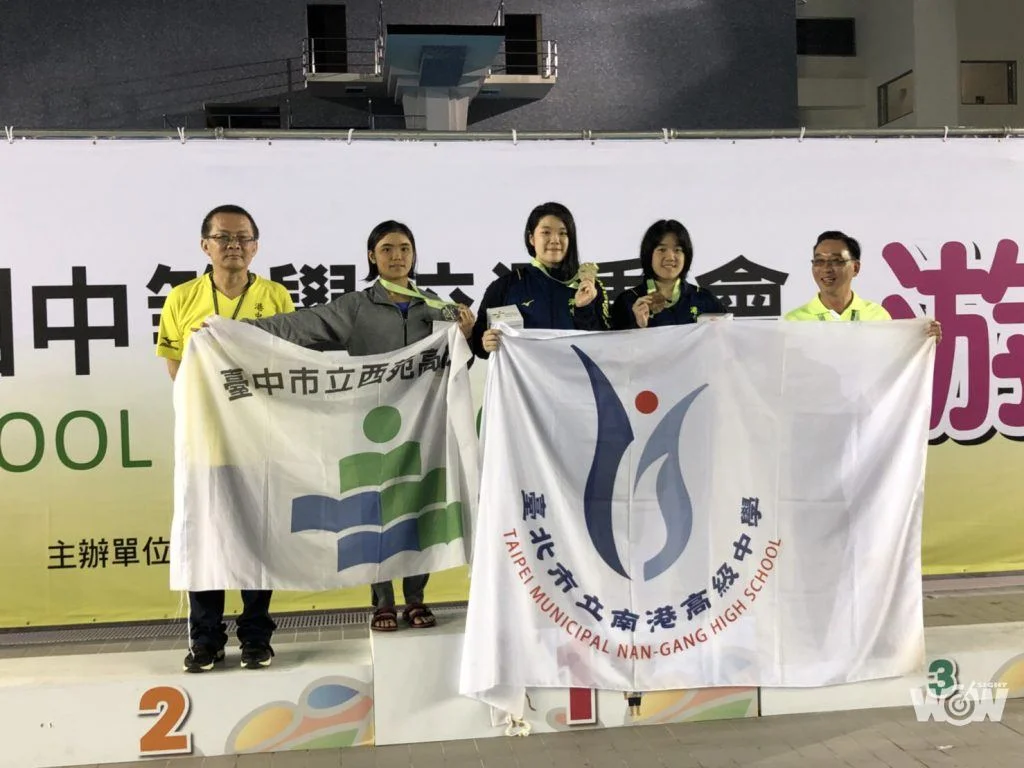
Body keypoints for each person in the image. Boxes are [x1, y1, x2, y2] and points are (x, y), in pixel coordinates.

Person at [243, 220, 476, 632]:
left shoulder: (437, 307)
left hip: (424, 425)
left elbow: (460, 365)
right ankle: (382, 602)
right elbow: (300, 326)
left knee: (421, 504)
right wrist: (237, 330)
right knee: (376, 510)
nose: (397, 256)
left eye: (404, 248)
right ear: (372, 256)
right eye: (387, 249)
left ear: (414, 254)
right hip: (372, 425)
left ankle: (416, 598)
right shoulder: (356, 306)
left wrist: (468, 335)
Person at [157, 204, 295, 673]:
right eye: (223, 237)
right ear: (205, 245)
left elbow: (287, 361)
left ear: (255, 247)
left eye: (243, 238)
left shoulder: (276, 296)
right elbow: (176, 368)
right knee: (205, 539)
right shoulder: (182, 299)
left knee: (257, 539)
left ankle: (256, 637)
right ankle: (206, 638)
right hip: (205, 441)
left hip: (258, 439)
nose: (233, 245)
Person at [472, 202, 610, 357]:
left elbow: (604, 346)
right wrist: (485, 343)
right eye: (546, 232)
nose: (555, 240)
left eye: (563, 233)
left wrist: (583, 309)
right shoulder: (505, 286)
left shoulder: (588, 287)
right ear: (531, 238)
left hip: (574, 372)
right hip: (523, 374)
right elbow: (479, 344)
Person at [785, 230, 942, 340]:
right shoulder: (793, 322)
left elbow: (894, 359)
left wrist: (923, 340)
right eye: (819, 261)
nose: (826, 268)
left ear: (855, 268)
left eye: (836, 261)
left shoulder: (877, 316)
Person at [612, 219, 726, 329]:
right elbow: (613, 341)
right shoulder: (627, 301)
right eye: (662, 249)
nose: (670, 257)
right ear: (649, 254)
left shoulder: (704, 299)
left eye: (677, 250)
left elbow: (727, 336)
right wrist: (638, 325)